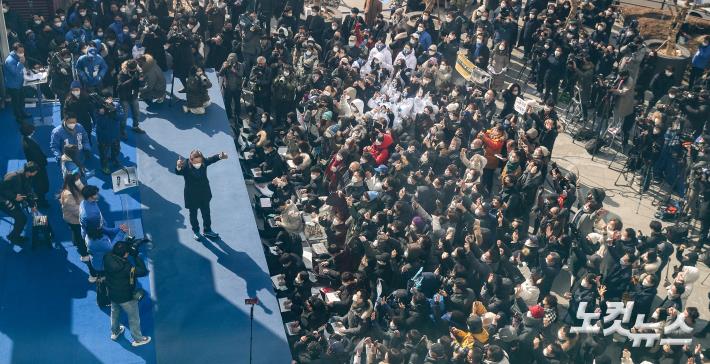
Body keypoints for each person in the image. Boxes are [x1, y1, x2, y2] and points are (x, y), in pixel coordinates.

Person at [104, 241, 152, 347]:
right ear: (125, 254)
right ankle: (138, 339)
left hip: (112, 293)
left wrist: (126, 245)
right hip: (126, 297)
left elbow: (118, 250)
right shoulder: (127, 268)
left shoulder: (107, 257)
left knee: (114, 312)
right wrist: (136, 255)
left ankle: (115, 332)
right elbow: (143, 271)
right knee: (133, 317)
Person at [175, 150, 228, 240]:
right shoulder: (185, 166)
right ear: (191, 160)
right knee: (193, 215)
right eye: (196, 162)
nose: (198, 163)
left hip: (204, 194)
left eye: (200, 161)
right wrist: (178, 166)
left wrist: (220, 156)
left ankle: (207, 231)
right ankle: (196, 232)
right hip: (192, 196)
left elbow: (212, 159)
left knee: (206, 214)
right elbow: (178, 172)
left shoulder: (203, 162)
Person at [80, 185, 129, 278]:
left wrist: (118, 229)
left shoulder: (93, 230)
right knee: (105, 277)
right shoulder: (97, 241)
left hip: (97, 258)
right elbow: (111, 248)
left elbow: (104, 230)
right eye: (95, 194)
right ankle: (98, 277)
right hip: (101, 266)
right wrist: (121, 233)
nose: (98, 195)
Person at [0, 162, 39, 245]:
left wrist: (32, 205)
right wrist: (14, 197)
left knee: (21, 218)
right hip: (5, 202)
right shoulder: (12, 177)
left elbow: (27, 190)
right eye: (35, 172)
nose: (36, 173)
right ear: (28, 172)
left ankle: (13, 235)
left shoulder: (27, 176)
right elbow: (2, 190)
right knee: (21, 219)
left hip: (13, 200)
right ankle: (13, 237)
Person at [20, 123, 49, 207]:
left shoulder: (25, 140)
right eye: (32, 130)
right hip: (38, 168)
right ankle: (41, 202)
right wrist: (44, 161)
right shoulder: (29, 144)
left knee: (38, 184)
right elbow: (37, 157)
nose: (34, 131)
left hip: (35, 166)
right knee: (41, 185)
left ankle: (40, 200)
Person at [3, 42, 30, 123]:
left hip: (20, 83)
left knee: (22, 100)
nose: (22, 53)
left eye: (23, 51)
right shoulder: (9, 61)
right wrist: (21, 63)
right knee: (16, 103)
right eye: (20, 51)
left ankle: (23, 113)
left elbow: (22, 68)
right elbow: (15, 73)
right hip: (13, 86)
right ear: (14, 51)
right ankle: (18, 118)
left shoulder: (19, 57)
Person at [117, 59, 145, 133]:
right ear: (128, 68)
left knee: (136, 113)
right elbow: (119, 87)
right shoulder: (122, 73)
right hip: (124, 97)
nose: (133, 70)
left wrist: (141, 80)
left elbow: (142, 84)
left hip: (133, 95)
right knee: (124, 116)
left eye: (134, 69)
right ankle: (122, 130)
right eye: (131, 69)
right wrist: (131, 80)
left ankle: (135, 126)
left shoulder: (138, 71)